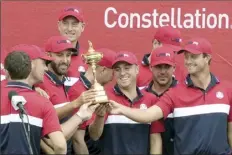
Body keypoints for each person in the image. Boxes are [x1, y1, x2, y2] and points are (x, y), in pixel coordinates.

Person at [109, 38, 232, 155]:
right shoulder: (174, 93)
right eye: (186, 57)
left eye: (193, 57)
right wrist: (121, 109)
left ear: (207, 58)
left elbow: (230, 133)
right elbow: (148, 115)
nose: (188, 61)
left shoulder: (227, 90)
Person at [36, 35, 99, 155]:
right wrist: (76, 103)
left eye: (68, 55)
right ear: (48, 56)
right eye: (60, 55)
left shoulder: (62, 83)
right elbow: (42, 119)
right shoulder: (40, 82)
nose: (65, 60)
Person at [0, 45, 67, 154]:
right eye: (43, 63)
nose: (46, 68)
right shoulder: (43, 102)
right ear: (31, 64)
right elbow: (60, 146)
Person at [98, 51, 164, 154]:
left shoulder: (151, 99)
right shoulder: (104, 97)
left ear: (137, 69)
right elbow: (94, 135)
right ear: (113, 73)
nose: (122, 73)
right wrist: (99, 117)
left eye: (127, 68)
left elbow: (155, 140)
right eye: (117, 69)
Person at [67, 48, 116, 154]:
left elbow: (94, 135)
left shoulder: (99, 90)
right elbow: (78, 139)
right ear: (103, 70)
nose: (114, 77)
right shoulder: (78, 92)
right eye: (113, 71)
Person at [143, 46, 178, 155]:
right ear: (150, 67)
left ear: (174, 68)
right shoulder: (140, 95)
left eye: (167, 67)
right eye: (158, 66)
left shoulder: (184, 94)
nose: (162, 72)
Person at [57, 6, 87, 81]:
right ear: (59, 26)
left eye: (74, 24)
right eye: (65, 23)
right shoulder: (46, 57)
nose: (70, 29)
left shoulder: (89, 59)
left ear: (82, 27)